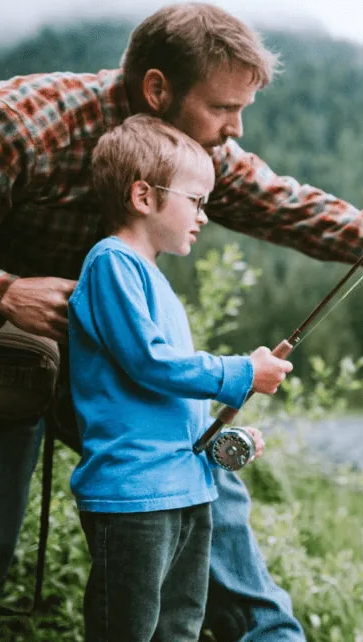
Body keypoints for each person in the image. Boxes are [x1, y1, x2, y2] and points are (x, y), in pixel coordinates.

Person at [0, 2, 363, 641]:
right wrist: (2, 293)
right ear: (158, 89)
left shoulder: (194, 155)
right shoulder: (14, 125)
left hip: (119, 374)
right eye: (223, 108)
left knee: (206, 491)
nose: (235, 127)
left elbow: (297, 209)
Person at [69, 113, 292, 640]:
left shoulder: (154, 280)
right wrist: (241, 371)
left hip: (186, 493)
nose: (204, 216)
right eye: (196, 201)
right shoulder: (111, 263)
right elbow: (150, 363)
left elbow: (165, 401)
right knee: (127, 630)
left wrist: (217, 440)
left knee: (179, 630)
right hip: (133, 498)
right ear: (144, 197)